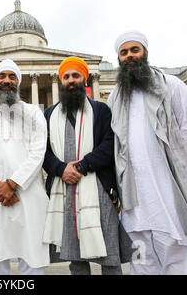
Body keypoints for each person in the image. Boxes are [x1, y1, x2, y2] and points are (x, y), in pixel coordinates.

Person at [107, 30, 187, 275]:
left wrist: (181, 174)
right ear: (119, 58)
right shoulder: (115, 96)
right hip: (135, 198)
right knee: (142, 263)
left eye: (134, 50)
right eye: (124, 52)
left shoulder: (172, 85)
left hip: (169, 192)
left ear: (145, 53)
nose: (129, 56)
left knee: (179, 260)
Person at [42, 56, 132, 275]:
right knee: (76, 259)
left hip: (98, 189)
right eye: (66, 76)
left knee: (110, 256)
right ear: (60, 81)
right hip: (64, 190)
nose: (71, 80)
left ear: (85, 79)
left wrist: (81, 166)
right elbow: (43, 152)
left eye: (76, 75)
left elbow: (110, 144)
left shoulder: (101, 110)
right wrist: (61, 169)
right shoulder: (48, 114)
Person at [0, 59, 50, 275]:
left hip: (28, 195)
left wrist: (12, 184)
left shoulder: (34, 113)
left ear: (19, 82)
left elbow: (37, 152)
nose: (7, 80)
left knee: (32, 258)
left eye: (12, 76)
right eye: (2, 76)